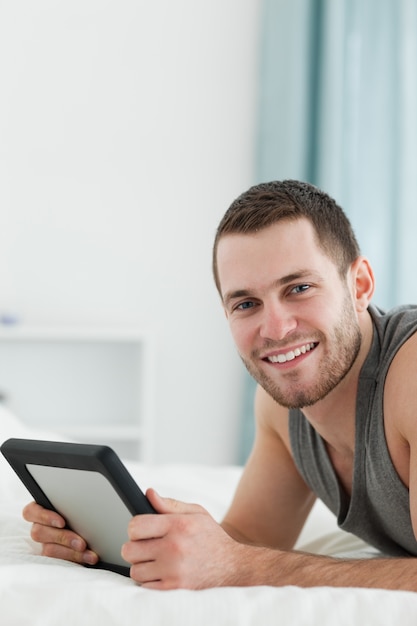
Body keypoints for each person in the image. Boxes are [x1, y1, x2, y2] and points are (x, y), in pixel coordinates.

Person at [23, 180, 417, 591]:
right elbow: (246, 541)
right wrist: (108, 540)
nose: (276, 329)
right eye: (246, 304)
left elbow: (242, 560)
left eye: (299, 288)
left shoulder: (410, 377)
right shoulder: (280, 404)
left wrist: (242, 565)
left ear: (360, 286)